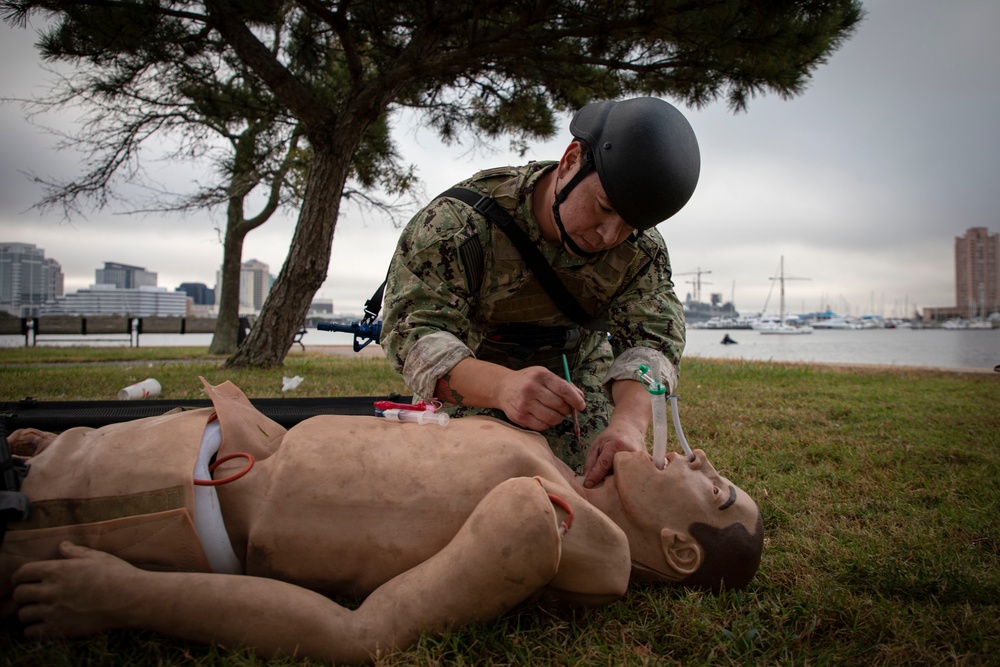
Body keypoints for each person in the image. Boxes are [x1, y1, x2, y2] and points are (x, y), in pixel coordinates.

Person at [2, 379, 762, 664]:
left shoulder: (549, 526)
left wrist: (121, 595)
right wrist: (93, 441)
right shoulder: (555, 475)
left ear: (679, 552)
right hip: (150, 456)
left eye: (716, 490)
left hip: (137, 517)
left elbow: (359, 636)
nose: (700, 462)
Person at [380, 97, 701, 487]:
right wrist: (502, 387)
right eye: (603, 207)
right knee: (470, 485)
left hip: (575, 378)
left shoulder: (641, 251)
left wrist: (628, 425)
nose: (608, 236)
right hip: (473, 378)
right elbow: (415, 337)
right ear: (570, 161)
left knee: (598, 484)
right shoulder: (456, 225)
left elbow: (653, 341)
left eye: (629, 225)